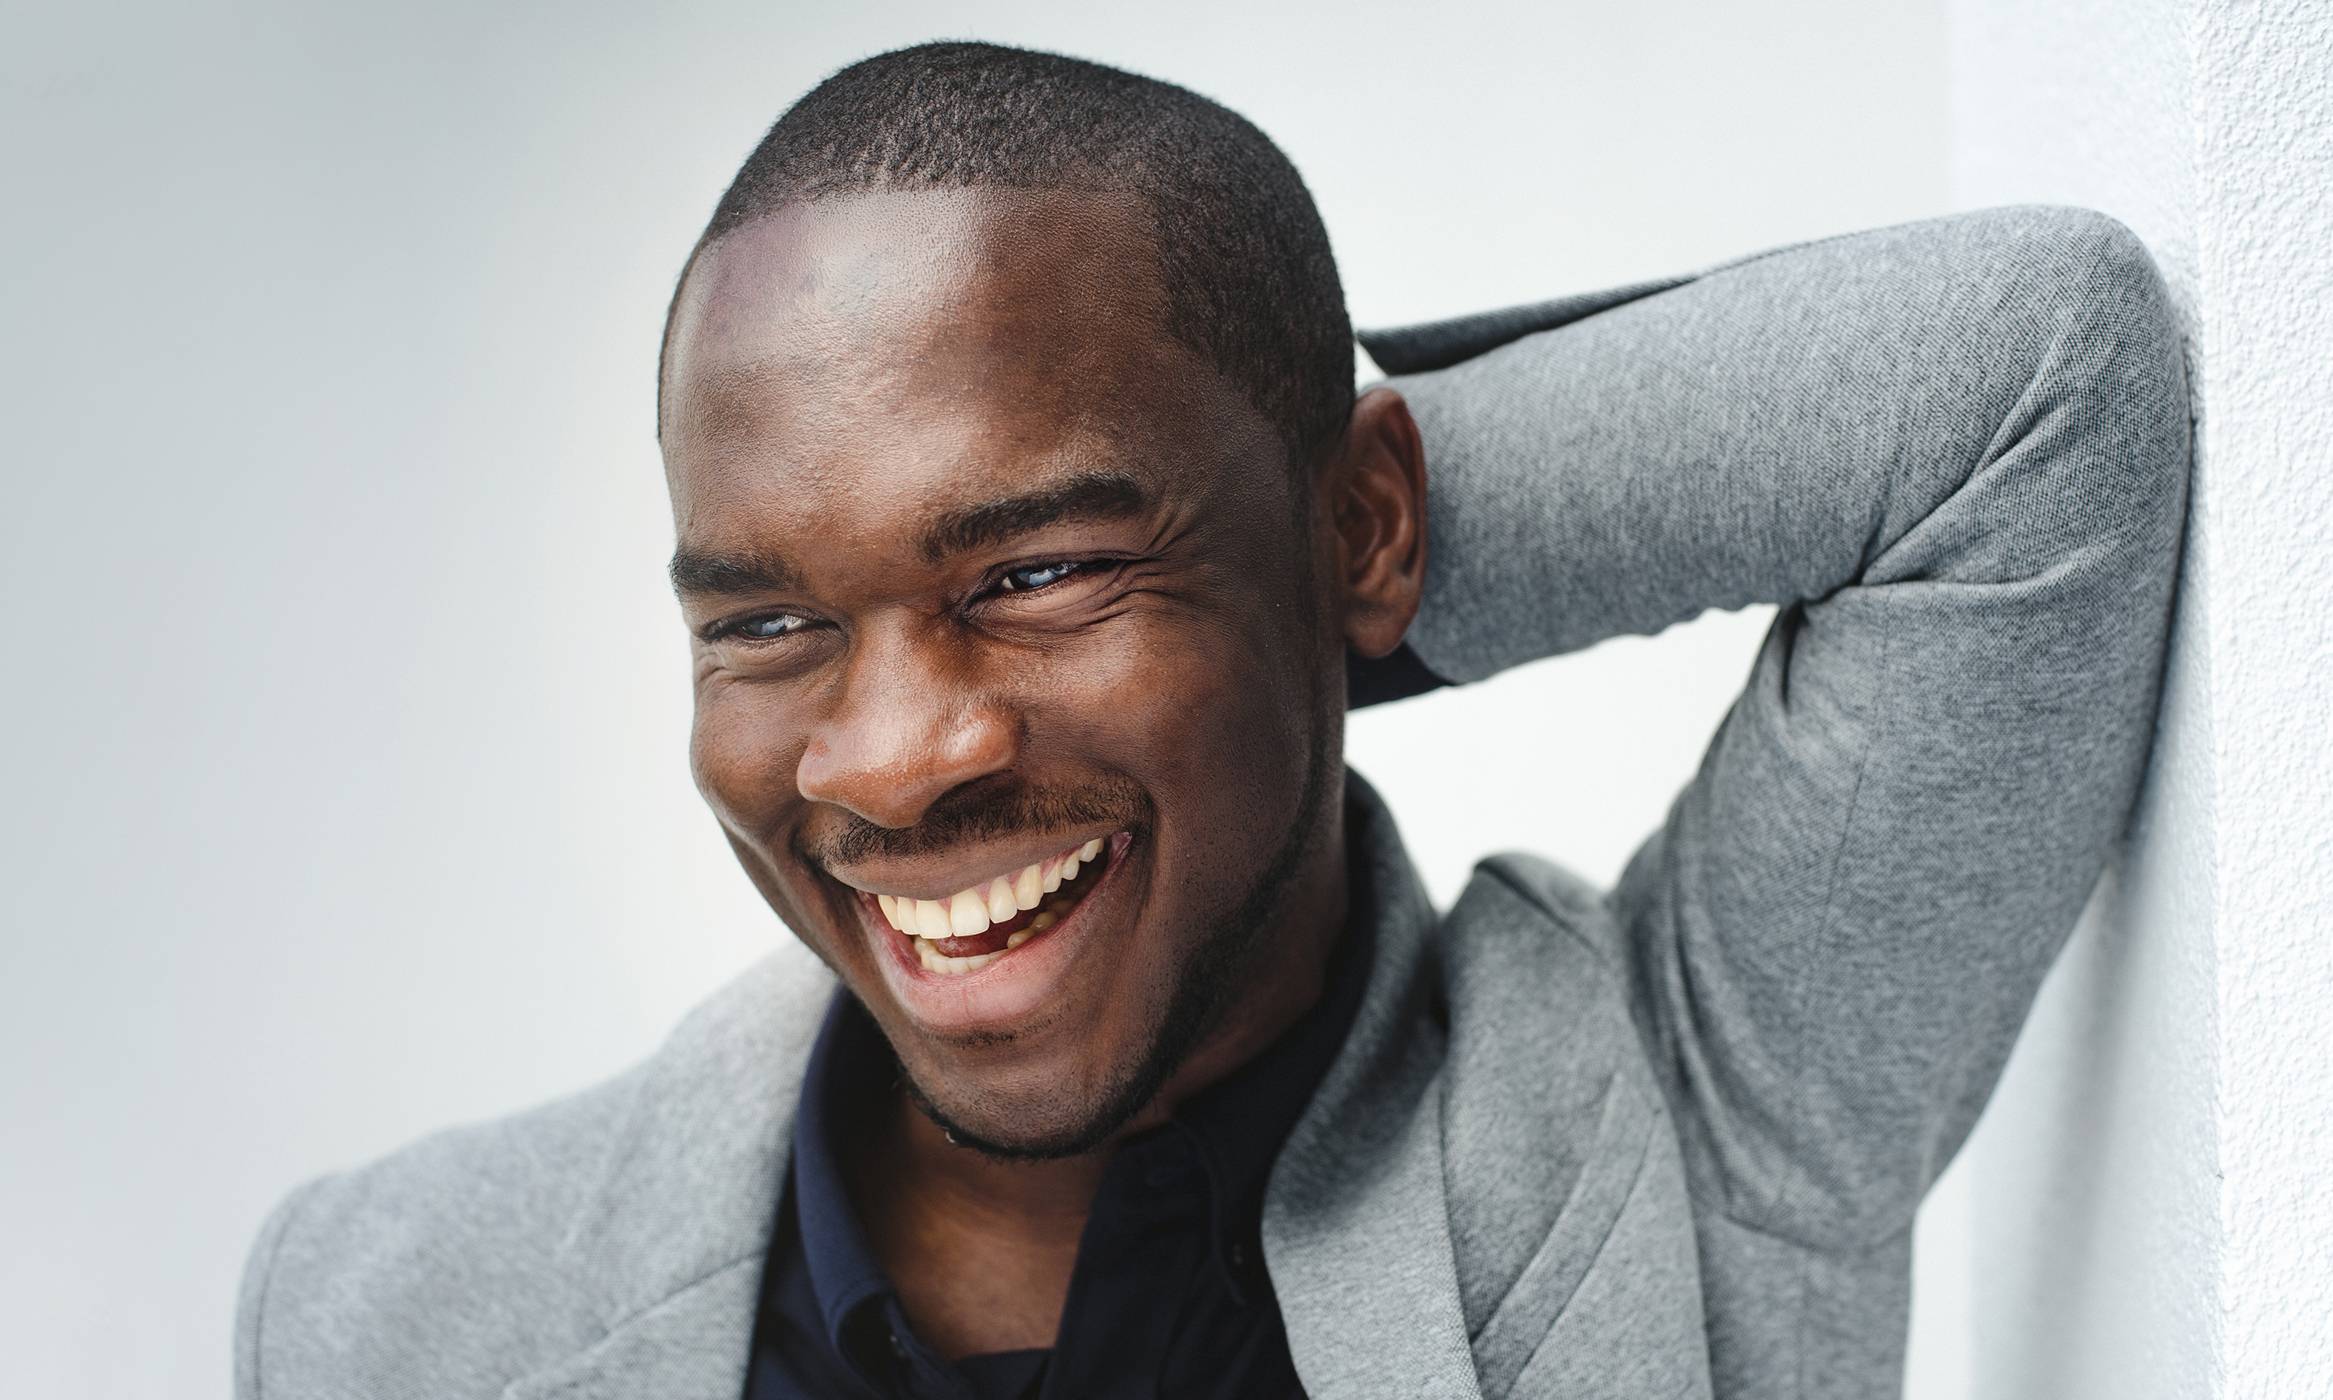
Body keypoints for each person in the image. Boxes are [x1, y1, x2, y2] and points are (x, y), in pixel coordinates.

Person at [232, 39, 2189, 1400]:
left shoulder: (1681, 1140)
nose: (897, 755)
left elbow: (2029, 387)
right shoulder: (380, 1309)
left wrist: (1326, 567)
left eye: (1034, 570)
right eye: (770, 619)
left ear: (1367, 518)